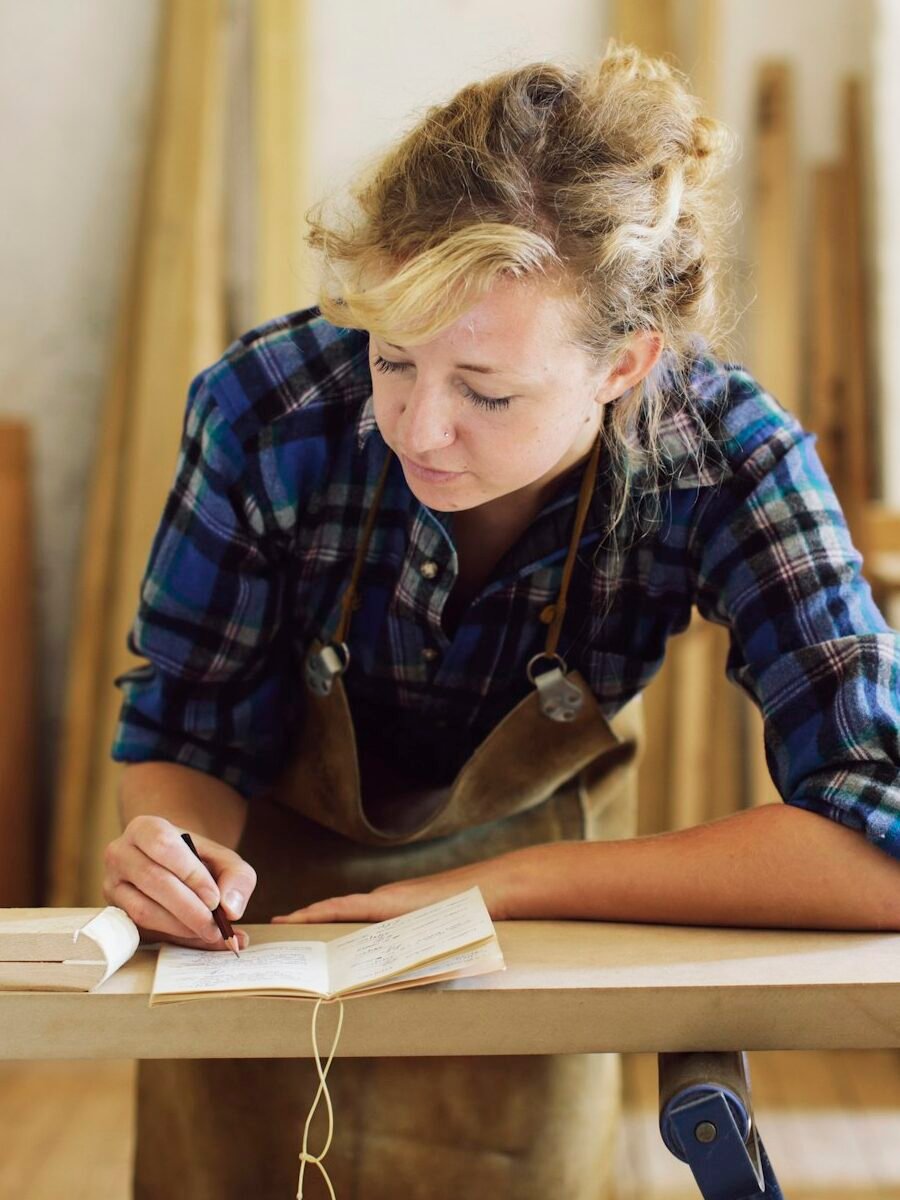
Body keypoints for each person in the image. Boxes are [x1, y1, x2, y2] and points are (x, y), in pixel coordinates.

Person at [103, 41, 900, 1199]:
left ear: (626, 363)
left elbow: (879, 837)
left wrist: (509, 884)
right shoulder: (267, 406)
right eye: (393, 359)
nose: (421, 430)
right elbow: (188, 733)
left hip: (538, 929)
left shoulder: (727, 456)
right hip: (271, 932)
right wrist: (172, 852)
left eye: (488, 392)